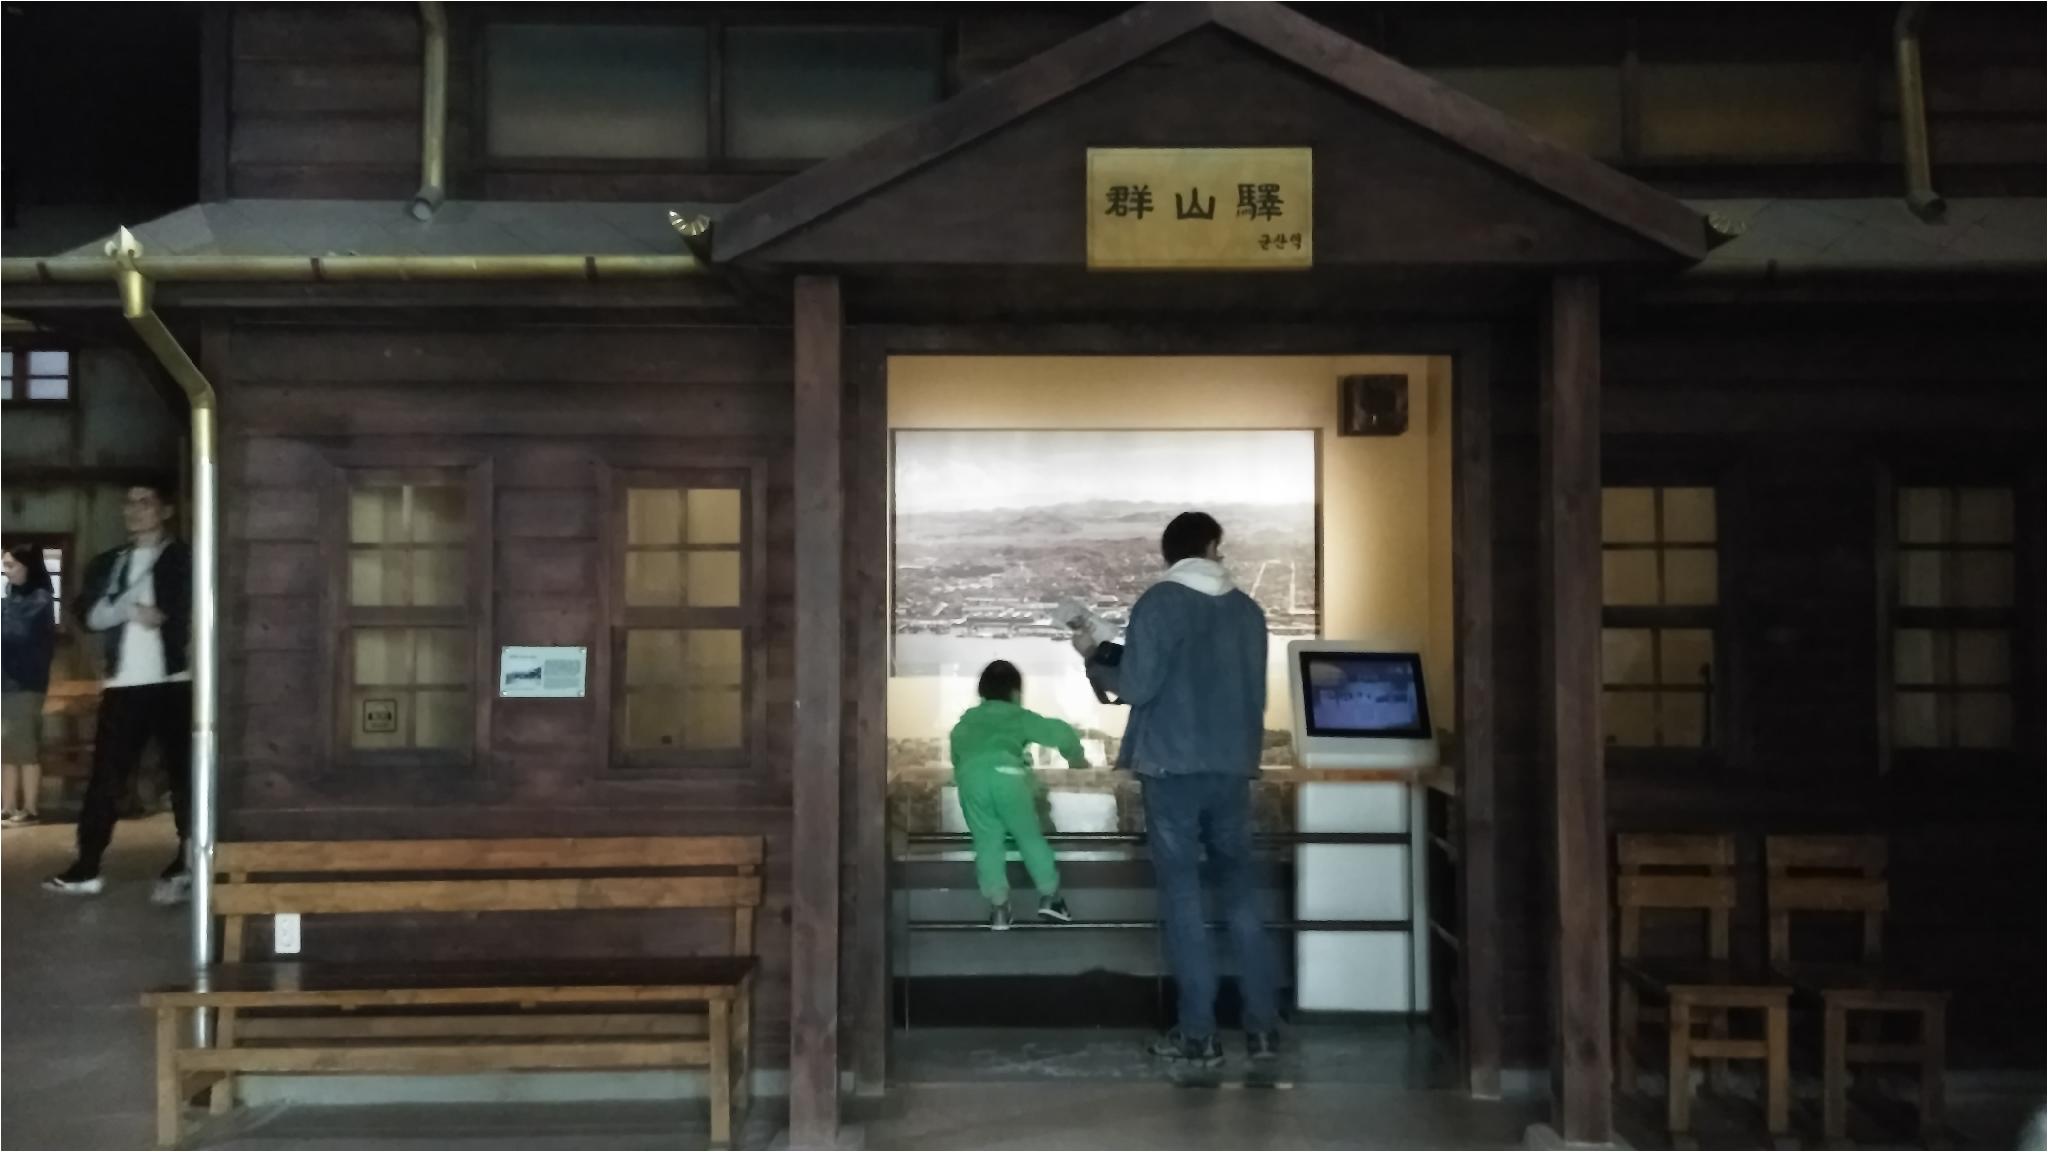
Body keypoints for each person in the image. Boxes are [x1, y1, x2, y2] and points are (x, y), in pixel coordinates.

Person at [1079, 511, 1277, 1067]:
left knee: (1184, 898)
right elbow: (1252, 694)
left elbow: (1138, 686)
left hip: (1171, 768)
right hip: (1233, 766)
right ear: (1211, 546)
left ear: (1169, 554)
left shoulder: (1159, 603)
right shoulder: (1248, 610)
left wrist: (1096, 656)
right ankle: (1262, 1030)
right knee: (1241, 895)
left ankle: (1199, 1035)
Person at [45, 485, 193, 901]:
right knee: (106, 776)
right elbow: (87, 615)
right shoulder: (109, 562)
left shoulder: (185, 558)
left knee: (183, 774)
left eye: (145, 502)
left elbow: (188, 612)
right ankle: (87, 864)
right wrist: (129, 611)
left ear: (165, 510)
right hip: (122, 682)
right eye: (128, 503)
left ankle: (188, 858)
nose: (134, 510)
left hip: (174, 680)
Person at [949, 659, 1088, 931]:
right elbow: (1061, 733)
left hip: (971, 780)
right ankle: (1051, 897)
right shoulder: (1017, 716)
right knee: (1028, 837)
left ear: (982, 692)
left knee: (987, 843)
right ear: (1015, 692)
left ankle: (999, 908)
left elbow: (957, 758)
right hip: (1008, 777)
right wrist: (1077, 760)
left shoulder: (964, 725)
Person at [3, 545, 58, 826]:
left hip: (26, 684)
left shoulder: (40, 600)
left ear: (28, 567)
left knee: (24, 749)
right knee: (7, 750)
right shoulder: (12, 599)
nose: (5, 570)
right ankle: (8, 806)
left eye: (11, 565)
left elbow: (17, 634)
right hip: (7, 683)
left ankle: (31, 809)